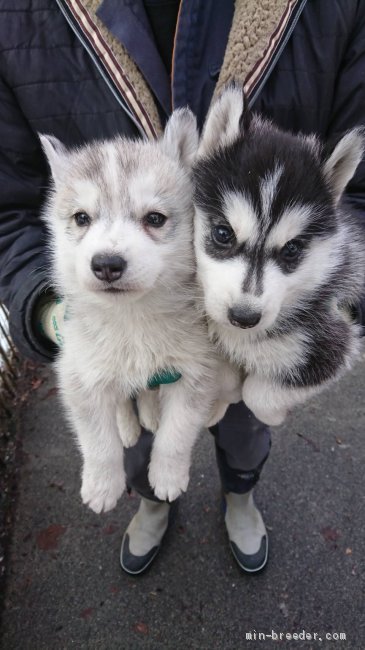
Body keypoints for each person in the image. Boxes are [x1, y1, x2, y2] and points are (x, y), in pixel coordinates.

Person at [0, 0, 364, 576]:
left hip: (254, 324)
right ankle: (151, 505)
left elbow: (353, 190)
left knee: (246, 432)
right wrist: (46, 311)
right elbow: (11, 206)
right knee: (138, 437)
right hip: (125, 320)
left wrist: (325, 307)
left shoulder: (335, 10)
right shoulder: (18, 19)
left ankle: (239, 497)